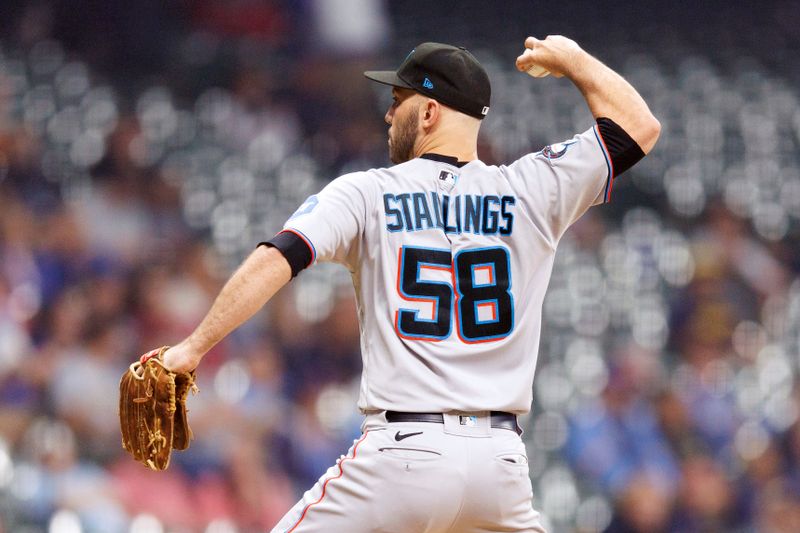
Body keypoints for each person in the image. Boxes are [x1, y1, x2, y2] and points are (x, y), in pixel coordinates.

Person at [156, 35, 660, 532]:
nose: (388, 114)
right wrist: (574, 61)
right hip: (500, 466)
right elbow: (638, 126)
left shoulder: (367, 192)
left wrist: (193, 347)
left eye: (399, 101)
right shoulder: (531, 189)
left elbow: (280, 255)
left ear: (429, 113)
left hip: (404, 453)